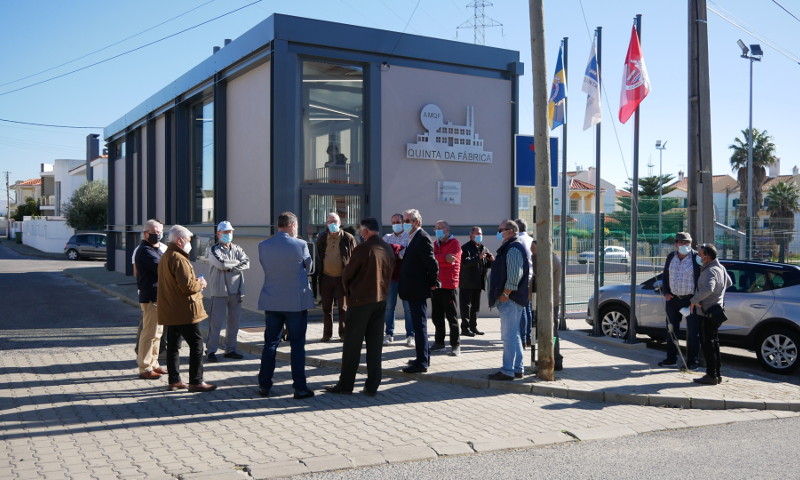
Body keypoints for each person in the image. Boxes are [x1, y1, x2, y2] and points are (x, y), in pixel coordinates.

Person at [325, 217, 395, 396]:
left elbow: (347, 274)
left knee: (352, 345)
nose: (360, 234)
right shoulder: (387, 248)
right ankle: (372, 385)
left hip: (360, 302)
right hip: (380, 301)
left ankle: (346, 384)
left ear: (365, 231)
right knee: (375, 345)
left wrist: (349, 291)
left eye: (361, 231)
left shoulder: (363, 249)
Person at [257, 212, 316, 399]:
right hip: (295, 303)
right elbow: (311, 268)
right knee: (297, 346)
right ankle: (299, 387)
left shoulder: (263, 245)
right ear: (292, 225)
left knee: (270, 344)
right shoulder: (300, 244)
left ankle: (264, 385)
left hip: (272, 300)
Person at [157, 225, 216, 392]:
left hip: (172, 309)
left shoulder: (167, 255)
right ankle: (196, 381)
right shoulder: (178, 257)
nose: (190, 244)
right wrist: (201, 283)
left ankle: (174, 380)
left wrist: (193, 283)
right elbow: (187, 286)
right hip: (184, 310)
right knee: (197, 344)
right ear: (180, 240)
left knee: (174, 345)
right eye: (189, 241)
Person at [399, 208, 440, 374]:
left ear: (416, 222)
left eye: (407, 220)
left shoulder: (422, 238)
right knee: (417, 325)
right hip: (412, 288)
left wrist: (431, 283)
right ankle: (422, 356)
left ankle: (422, 363)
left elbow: (432, 264)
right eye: (404, 220)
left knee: (419, 326)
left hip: (418, 289)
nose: (404, 223)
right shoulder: (412, 237)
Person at [487, 219, 529, 381]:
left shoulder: (513, 248)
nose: (498, 232)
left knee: (508, 336)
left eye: (501, 229)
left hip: (510, 299)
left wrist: (505, 293)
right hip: (512, 299)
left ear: (510, 231)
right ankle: (518, 368)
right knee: (514, 335)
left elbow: (514, 275)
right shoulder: (511, 247)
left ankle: (507, 370)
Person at [204, 221, 250, 362]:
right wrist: (236, 264)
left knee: (234, 323)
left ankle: (230, 349)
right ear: (218, 234)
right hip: (220, 291)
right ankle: (211, 350)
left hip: (236, 291)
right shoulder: (213, 249)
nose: (228, 234)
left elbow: (247, 262)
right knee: (216, 323)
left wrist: (230, 267)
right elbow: (221, 264)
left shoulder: (237, 248)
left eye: (230, 232)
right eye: (225, 232)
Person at [658, 232, 702, 369]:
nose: (684, 245)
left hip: (690, 301)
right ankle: (671, 359)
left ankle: (692, 362)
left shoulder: (697, 257)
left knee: (693, 332)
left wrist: (696, 299)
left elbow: (702, 279)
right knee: (671, 330)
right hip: (673, 300)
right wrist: (666, 292)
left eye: (687, 243)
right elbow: (665, 275)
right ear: (676, 244)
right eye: (681, 243)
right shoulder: (671, 256)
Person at [690, 243, 732, 385]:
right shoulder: (720, 267)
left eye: (700, 254)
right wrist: (718, 297)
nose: (698, 256)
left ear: (707, 257)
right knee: (714, 343)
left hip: (707, 312)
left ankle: (711, 375)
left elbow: (709, 288)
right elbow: (729, 283)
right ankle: (717, 374)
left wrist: (694, 300)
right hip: (716, 311)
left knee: (707, 344)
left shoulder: (710, 271)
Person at [316, 212, 357, 341]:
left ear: (340, 223)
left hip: (342, 277)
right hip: (326, 277)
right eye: (330, 222)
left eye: (335, 222)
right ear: (326, 224)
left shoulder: (348, 238)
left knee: (343, 307)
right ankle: (327, 334)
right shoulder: (322, 238)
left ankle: (343, 334)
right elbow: (319, 256)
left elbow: (355, 257)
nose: (332, 224)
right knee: (326, 307)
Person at [135, 219, 167, 380]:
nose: (159, 235)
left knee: (157, 334)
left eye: (160, 232)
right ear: (146, 233)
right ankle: (145, 367)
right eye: (155, 232)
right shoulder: (145, 251)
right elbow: (163, 268)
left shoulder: (156, 249)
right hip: (150, 298)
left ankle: (154, 363)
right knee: (149, 333)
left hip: (159, 298)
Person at [530, 240, 563, 371]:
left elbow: (540, 275)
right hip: (548, 301)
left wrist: (534, 255)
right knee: (549, 332)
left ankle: (554, 358)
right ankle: (552, 357)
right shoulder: (551, 258)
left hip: (548, 302)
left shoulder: (550, 260)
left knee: (551, 332)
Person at [431, 220, 462, 356]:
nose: (438, 230)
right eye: (436, 228)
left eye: (441, 228)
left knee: (451, 317)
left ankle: (455, 345)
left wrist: (438, 259)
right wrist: (443, 258)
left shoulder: (454, 243)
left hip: (449, 285)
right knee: (436, 316)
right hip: (436, 284)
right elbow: (431, 260)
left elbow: (452, 261)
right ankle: (439, 343)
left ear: (447, 230)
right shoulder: (435, 244)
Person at [382, 213, 414, 347]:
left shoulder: (409, 237)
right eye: (393, 222)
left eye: (398, 222)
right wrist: (399, 251)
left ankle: (410, 335)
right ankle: (389, 333)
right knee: (389, 307)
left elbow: (408, 254)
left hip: (406, 277)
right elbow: (385, 254)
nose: (396, 224)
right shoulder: (386, 237)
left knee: (408, 308)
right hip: (391, 278)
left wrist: (396, 252)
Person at [459, 226, 494, 336]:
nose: (480, 236)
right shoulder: (465, 248)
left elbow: (487, 265)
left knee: (475, 306)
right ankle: (465, 328)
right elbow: (465, 263)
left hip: (478, 282)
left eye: (481, 234)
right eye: (477, 234)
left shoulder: (483, 248)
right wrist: (478, 257)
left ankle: (473, 327)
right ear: (471, 235)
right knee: (466, 306)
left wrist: (491, 260)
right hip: (467, 282)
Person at [515, 218, 535, 348]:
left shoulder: (519, 241)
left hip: (522, 278)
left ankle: (522, 338)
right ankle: (527, 337)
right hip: (530, 276)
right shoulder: (529, 239)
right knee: (527, 308)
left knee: (522, 309)